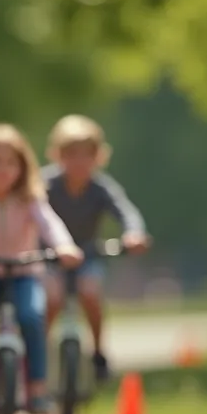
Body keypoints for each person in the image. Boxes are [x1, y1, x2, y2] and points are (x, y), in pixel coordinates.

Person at [0, 124, 82, 414]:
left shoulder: (29, 199)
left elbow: (50, 224)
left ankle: (37, 388)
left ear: (22, 168)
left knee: (32, 316)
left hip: (24, 274)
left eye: (10, 163)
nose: (3, 170)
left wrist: (64, 246)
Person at [40, 115, 147, 384]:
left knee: (90, 292)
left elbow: (126, 211)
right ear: (58, 155)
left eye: (87, 154)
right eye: (71, 154)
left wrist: (134, 233)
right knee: (51, 298)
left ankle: (98, 351)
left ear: (98, 157)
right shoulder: (45, 185)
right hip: (49, 256)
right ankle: (37, 353)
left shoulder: (101, 188)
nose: (79, 162)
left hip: (88, 255)